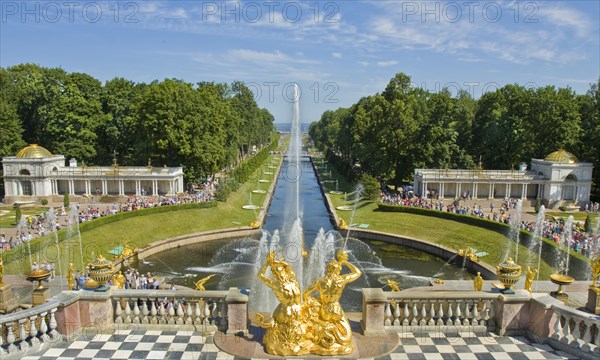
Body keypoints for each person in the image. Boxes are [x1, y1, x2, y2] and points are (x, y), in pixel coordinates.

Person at [303, 250, 362, 356]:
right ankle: (331, 336)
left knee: (325, 322)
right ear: (338, 270)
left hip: (324, 310)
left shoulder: (320, 281)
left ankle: (326, 335)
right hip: (336, 309)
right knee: (347, 335)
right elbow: (358, 272)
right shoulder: (341, 280)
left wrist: (313, 302)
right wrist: (344, 262)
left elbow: (306, 294)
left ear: (328, 269)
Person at [256, 250, 311, 356]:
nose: (280, 274)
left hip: (298, 309)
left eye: (281, 271)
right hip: (285, 311)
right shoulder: (274, 284)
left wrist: (276, 262)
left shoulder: (292, 279)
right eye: (276, 273)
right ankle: (284, 342)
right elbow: (260, 275)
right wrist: (267, 264)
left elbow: (288, 267)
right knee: (287, 329)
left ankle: (292, 341)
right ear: (274, 275)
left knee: (297, 329)